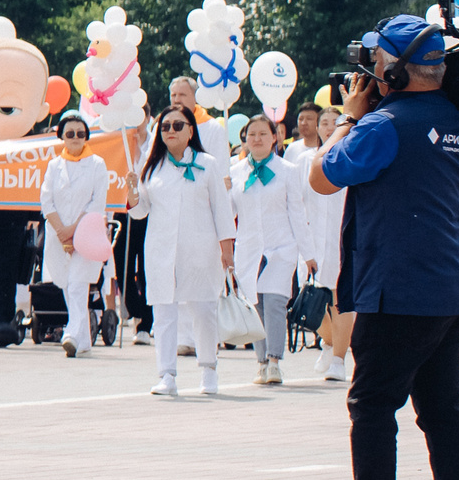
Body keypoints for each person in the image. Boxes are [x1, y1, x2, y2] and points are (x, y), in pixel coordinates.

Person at [304, 16, 459, 480]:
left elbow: (320, 176)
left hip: (398, 288)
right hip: (451, 286)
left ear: (397, 70)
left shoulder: (382, 125)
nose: (371, 71)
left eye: (379, 62)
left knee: (373, 404)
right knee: (443, 410)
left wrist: (349, 119)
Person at [127, 104, 235, 396]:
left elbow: (222, 211)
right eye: (165, 126)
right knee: (164, 312)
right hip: (161, 251)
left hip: (200, 249)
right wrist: (132, 196)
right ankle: (167, 375)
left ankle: (208, 370)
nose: (170, 131)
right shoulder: (151, 168)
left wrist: (227, 250)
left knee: (203, 310)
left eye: (177, 125)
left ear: (190, 131)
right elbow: (140, 212)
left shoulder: (208, 164)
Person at [229, 114, 308, 386]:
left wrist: (307, 255)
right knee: (255, 305)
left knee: (274, 303)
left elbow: (297, 213)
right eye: (252, 134)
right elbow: (228, 214)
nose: (257, 139)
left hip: (281, 248)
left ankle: (274, 361)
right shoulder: (236, 172)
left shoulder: (288, 170)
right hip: (249, 249)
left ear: (275, 137)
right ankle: (261, 362)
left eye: (263, 133)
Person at [37, 113, 112, 359]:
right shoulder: (53, 165)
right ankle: (85, 339)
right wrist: (61, 232)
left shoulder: (98, 165)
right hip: (57, 235)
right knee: (67, 285)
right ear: (62, 137)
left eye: (81, 133)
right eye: (70, 134)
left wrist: (73, 232)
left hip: (87, 234)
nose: (76, 138)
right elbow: (46, 200)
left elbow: (96, 203)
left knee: (80, 285)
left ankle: (71, 334)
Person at [298, 104, 351, 381]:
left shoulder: (352, 158)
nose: (329, 127)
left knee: (340, 300)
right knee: (309, 302)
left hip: (342, 237)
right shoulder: (303, 159)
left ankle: (339, 360)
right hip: (311, 238)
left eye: (335, 122)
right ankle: (330, 343)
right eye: (325, 123)